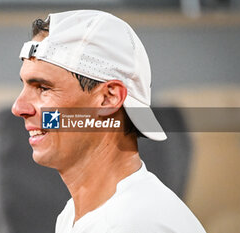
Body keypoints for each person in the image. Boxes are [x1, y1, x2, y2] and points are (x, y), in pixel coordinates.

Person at [12, 10, 206, 233]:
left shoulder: (134, 225)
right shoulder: (76, 215)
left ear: (109, 98)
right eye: (24, 85)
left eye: (43, 88)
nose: (18, 108)